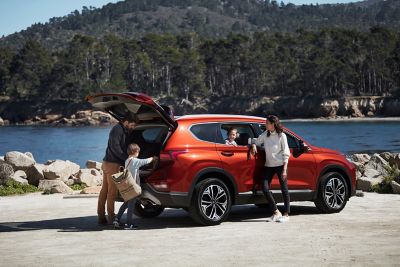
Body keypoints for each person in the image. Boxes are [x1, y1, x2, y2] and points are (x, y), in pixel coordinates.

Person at [97, 113, 137, 225]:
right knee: (112, 193)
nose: (133, 127)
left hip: (107, 162)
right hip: (112, 164)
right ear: (126, 122)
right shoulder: (117, 130)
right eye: (132, 125)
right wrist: (126, 159)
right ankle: (111, 217)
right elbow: (115, 147)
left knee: (104, 191)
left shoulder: (122, 129)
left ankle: (101, 216)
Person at [251, 115, 291, 223]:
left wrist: (284, 169)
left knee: (284, 189)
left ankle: (286, 214)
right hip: (269, 165)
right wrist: (254, 145)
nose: (265, 124)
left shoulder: (281, 135)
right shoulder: (265, 134)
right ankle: (276, 212)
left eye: (267, 123)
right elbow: (256, 141)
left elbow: (286, 151)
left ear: (273, 124)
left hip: (280, 165)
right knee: (264, 187)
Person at [113, 143, 154, 230]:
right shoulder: (135, 161)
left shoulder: (127, 160)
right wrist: (153, 158)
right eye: (138, 152)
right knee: (131, 206)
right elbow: (145, 161)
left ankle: (116, 220)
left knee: (126, 204)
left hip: (128, 186)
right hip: (133, 187)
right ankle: (129, 224)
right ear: (135, 151)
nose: (138, 153)